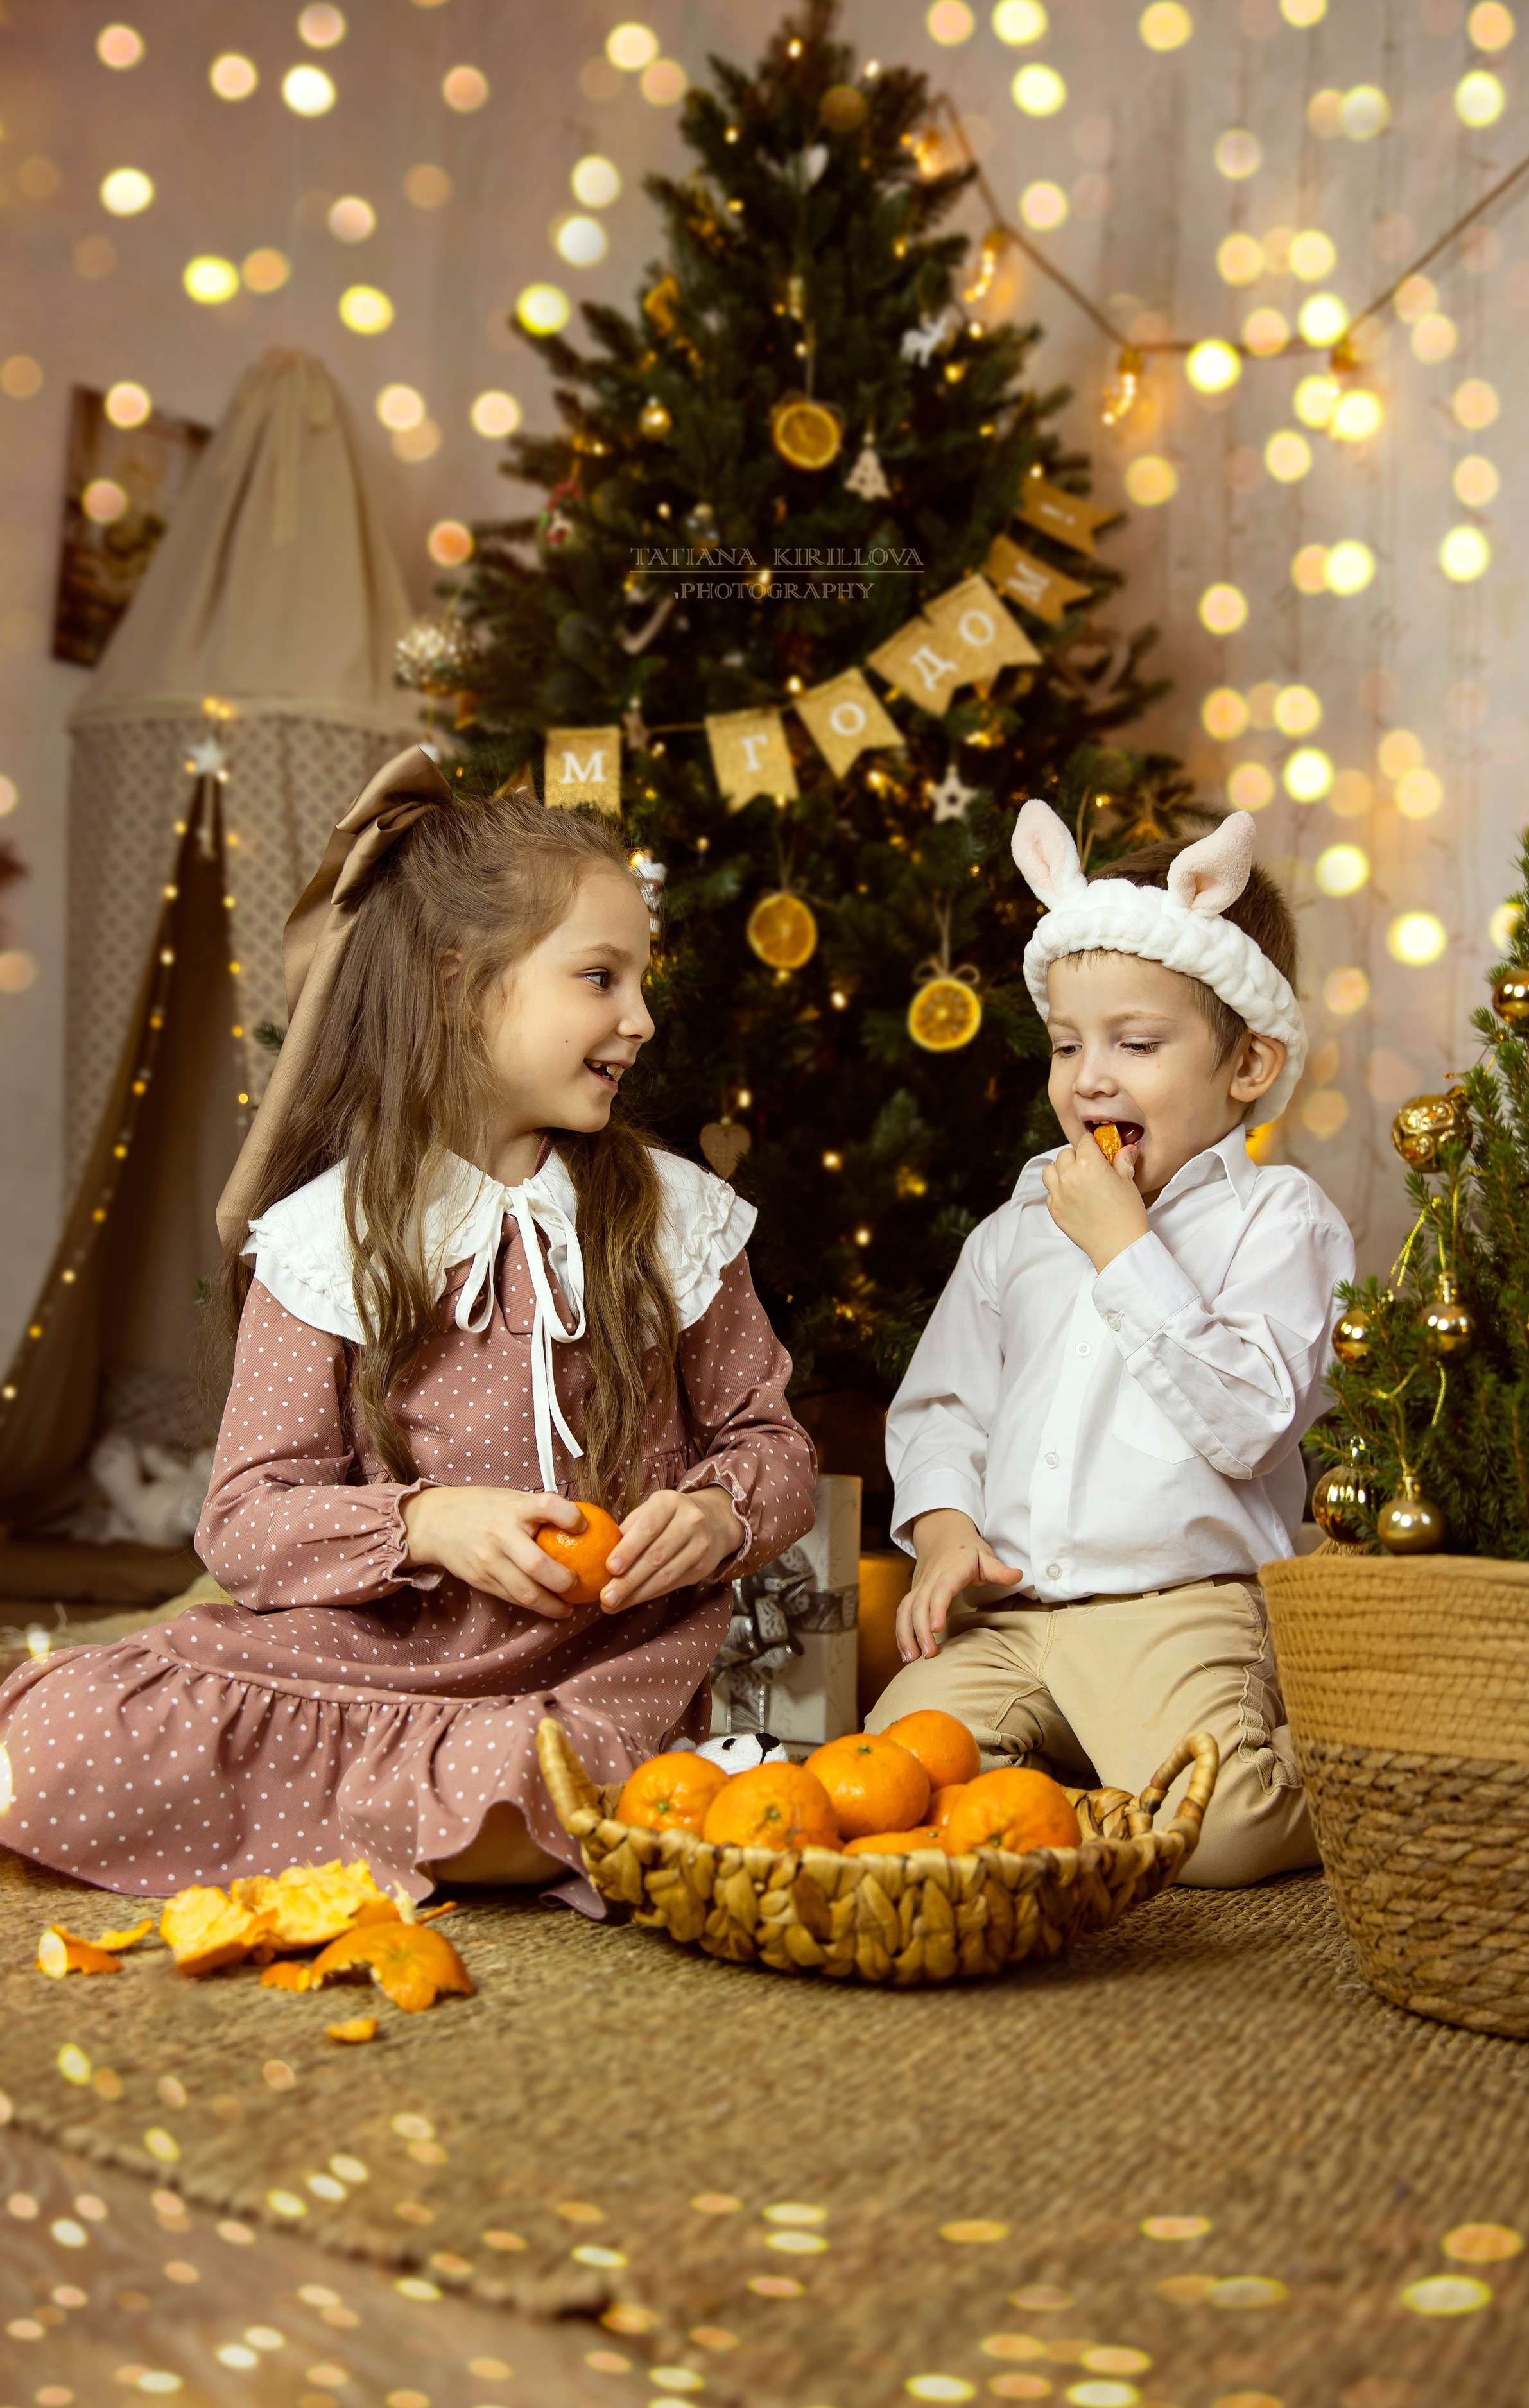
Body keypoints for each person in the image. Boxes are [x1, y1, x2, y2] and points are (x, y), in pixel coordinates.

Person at [0, 746, 815, 1904]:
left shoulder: (672, 1216)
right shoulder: (326, 1234)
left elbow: (775, 1448)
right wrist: (425, 1525)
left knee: (549, 1777)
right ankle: (416, 1821)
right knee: (60, 1731)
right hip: (372, 1651)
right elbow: (244, 1525)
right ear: (457, 985)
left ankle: (388, 1817)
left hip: (597, 1664)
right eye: (599, 978)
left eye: (642, 981)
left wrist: (716, 1516)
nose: (638, 1019)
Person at [864, 802, 1352, 1886]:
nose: (1091, 1078)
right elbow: (943, 1408)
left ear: (1248, 1066)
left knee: (1218, 1834)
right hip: (1012, 1616)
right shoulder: (1014, 1231)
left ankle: (1362, 1762)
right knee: (892, 1784)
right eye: (1069, 1045)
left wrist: (1127, 1247)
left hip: (1176, 1609)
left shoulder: (1283, 1222)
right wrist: (946, 1536)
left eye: (1137, 1044)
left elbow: (1251, 1425)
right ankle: (1089, 1792)